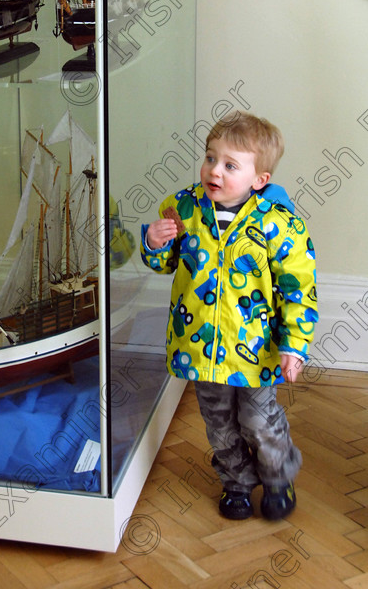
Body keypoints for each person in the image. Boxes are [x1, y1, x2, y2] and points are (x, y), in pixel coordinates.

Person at [140, 112, 317, 520]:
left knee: (257, 419)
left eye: (229, 165)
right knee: (219, 425)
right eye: (209, 158)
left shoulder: (280, 226)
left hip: (255, 350)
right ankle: (236, 482)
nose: (213, 170)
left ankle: (277, 477)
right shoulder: (183, 208)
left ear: (260, 180)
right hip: (199, 346)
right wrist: (153, 241)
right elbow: (164, 263)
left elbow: (299, 289)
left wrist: (295, 345)